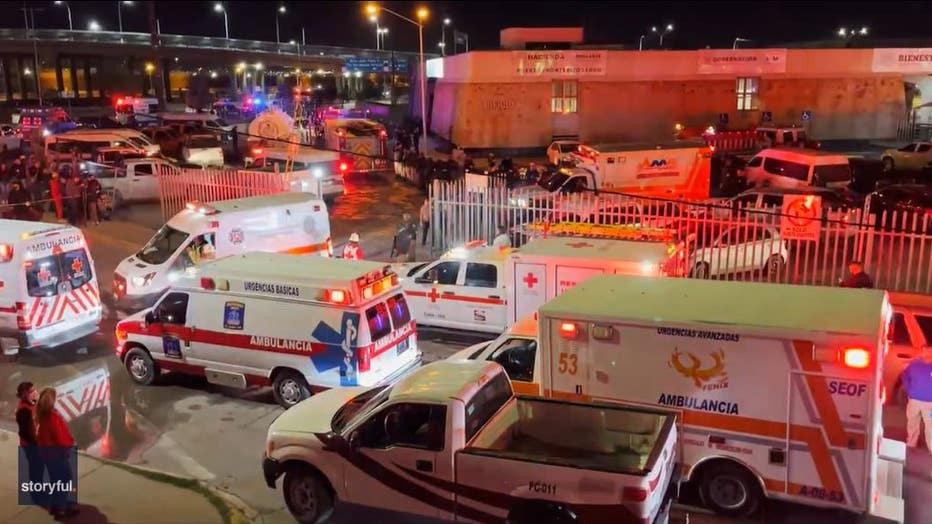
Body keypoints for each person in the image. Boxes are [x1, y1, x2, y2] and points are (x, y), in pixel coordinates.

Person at [36, 388, 78, 518]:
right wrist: (69, 446)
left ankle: (55, 505)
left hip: (49, 456)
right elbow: (59, 437)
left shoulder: (42, 417)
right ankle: (61, 509)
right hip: (57, 455)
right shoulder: (52, 417)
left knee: (56, 480)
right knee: (65, 479)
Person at [16, 382, 44, 505]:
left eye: (35, 389)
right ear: (24, 394)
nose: (35, 392)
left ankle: (39, 490)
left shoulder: (31, 404)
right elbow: (25, 432)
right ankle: (36, 495)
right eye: (31, 391)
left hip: (36, 443)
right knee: (36, 469)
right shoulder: (23, 410)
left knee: (39, 468)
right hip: (31, 446)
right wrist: (36, 444)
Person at [903, 346, 932, 453]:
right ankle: (911, 443)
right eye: (926, 351)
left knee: (930, 426)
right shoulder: (914, 364)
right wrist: (909, 390)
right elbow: (905, 376)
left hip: (930, 404)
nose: (928, 354)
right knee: (912, 422)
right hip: (914, 401)